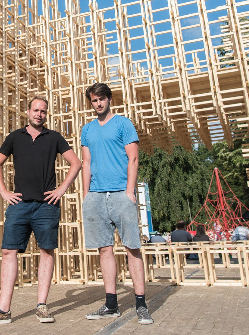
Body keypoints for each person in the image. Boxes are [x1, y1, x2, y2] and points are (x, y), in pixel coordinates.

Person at [0, 97, 81, 325]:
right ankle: (3, 310)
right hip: (19, 204)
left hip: (46, 205)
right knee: (8, 252)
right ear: (28, 112)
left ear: (46, 114)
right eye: (36, 110)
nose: (39, 114)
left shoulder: (54, 137)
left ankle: (42, 306)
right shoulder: (15, 137)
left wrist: (61, 189)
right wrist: (3, 191)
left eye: (43, 111)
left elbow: (77, 162)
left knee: (46, 251)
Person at [80, 83, 152, 325]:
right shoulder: (87, 129)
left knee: (132, 247)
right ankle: (111, 305)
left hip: (121, 192)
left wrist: (130, 191)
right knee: (104, 249)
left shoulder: (123, 124)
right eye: (94, 100)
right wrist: (86, 194)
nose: (98, 103)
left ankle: (141, 304)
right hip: (97, 196)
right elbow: (86, 163)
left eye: (101, 99)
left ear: (109, 99)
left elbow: (133, 157)